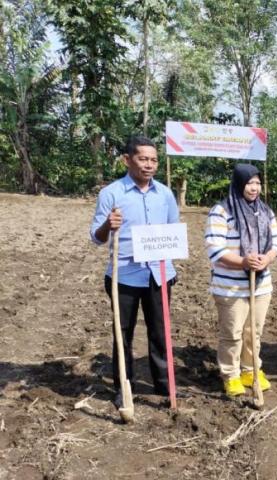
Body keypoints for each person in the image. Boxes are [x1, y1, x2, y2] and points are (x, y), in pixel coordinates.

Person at [90, 136, 181, 407]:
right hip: (124, 276)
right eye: (143, 159)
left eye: (153, 160)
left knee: (160, 333)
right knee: (123, 334)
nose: (149, 165)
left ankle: (165, 387)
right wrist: (108, 225)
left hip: (158, 274)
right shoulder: (111, 194)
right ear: (127, 160)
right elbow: (96, 238)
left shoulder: (165, 194)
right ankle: (124, 387)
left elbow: (173, 229)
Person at [205, 164, 277, 399]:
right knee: (232, 333)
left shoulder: (265, 211)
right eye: (249, 183)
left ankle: (251, 370)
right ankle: (230, 374)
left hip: (261, 284)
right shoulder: (221, 211)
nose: (254, 188)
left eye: (257, 183)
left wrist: (267, 258)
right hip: (231, 286)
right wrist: (243, 262)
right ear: (239, 184)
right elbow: (215, 249)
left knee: (253, 332)